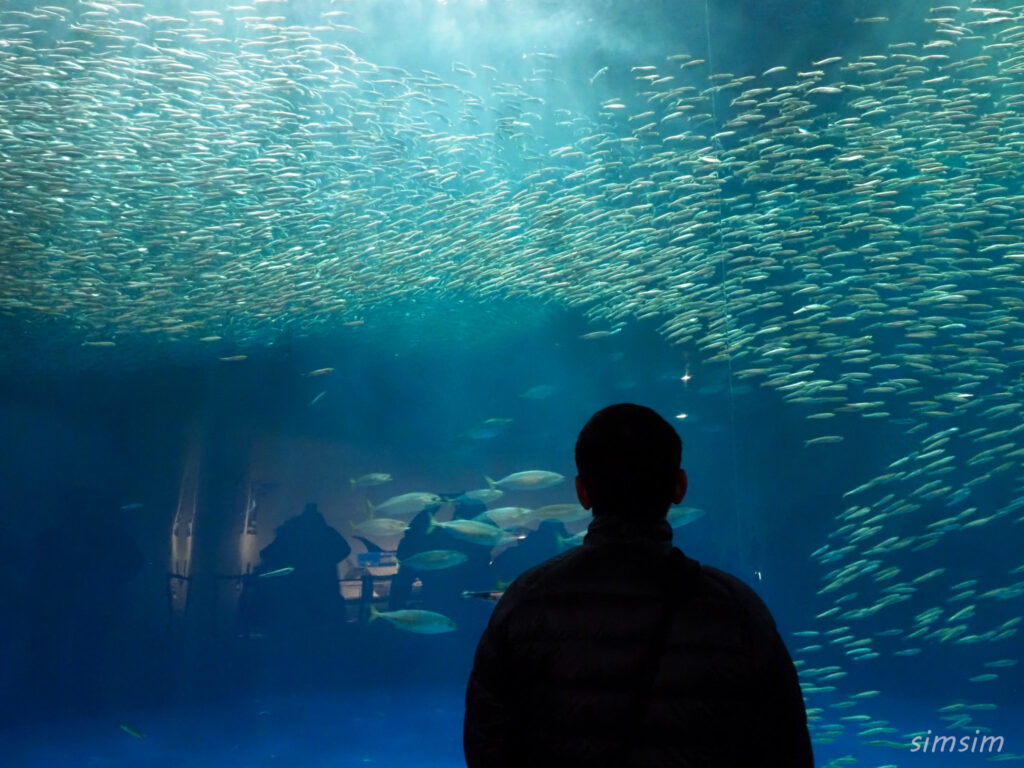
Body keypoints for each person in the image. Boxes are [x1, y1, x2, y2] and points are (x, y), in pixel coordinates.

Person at [464, 404, 813, 767]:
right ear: (680, 487)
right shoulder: (738, 609)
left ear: (582, 493)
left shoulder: (525, 602)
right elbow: (786, 749)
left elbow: (487, 744)